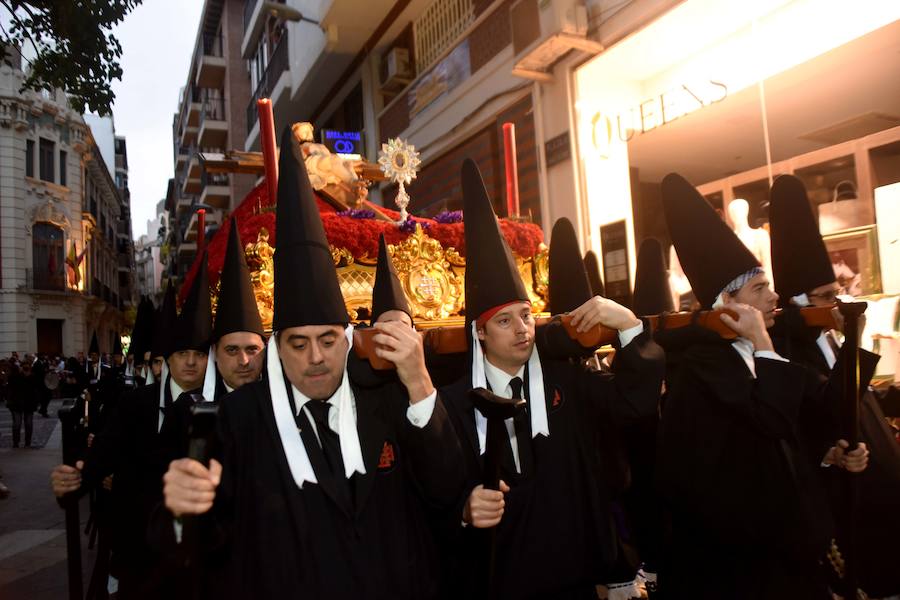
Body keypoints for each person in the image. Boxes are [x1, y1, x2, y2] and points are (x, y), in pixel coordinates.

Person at [159, 128, 465, 599]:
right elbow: (203, 551)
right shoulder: (238, 423)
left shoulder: (386, 403)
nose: (316, 357)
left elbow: (446, 492)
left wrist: (420, 380)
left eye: (327, 340)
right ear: (277, 348)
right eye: (298, 344)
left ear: (348, 340)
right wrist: (183, 509)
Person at [440, 161, 664, 600]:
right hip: (498, 583)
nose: (523, 329)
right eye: (504, 321)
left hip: (576, 580)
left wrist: (629, 326)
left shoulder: (566, 383)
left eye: (526, 316)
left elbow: (633, 404)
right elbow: (432, 496)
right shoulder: (452, 405)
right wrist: (463, 512)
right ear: (480, 332)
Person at [655, 173, 840, 600]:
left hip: (778, 555)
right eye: (760, 289)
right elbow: (770, 421)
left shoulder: (744, 358)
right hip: (740, 568)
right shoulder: (705, 368)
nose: (774, 298)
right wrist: (761, 341)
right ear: (728, 305)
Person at [769, 174, 899, 598]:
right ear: (799, 304)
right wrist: (856, 340)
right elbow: (831, 407)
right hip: (839, 503)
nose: (836, 303)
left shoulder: (827, 338)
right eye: (826, 296)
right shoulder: (788, 354)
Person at [50, 271, 210, 599]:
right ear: (168, 360)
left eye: (200, 354)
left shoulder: (225, 405)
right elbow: (99, 460)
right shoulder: (136, 404)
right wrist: (72, 482)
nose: (191, 363)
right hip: (141, 549)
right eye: (182, 354)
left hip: (204, 555)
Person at [8, 361, 38, 447]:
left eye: (27, 367)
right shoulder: (15, 377)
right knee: (17, 423)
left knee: (28, 423)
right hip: (17, 403)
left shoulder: (32, 377)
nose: (25, 369)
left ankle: (27, 442)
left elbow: (35, 390)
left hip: (29, 403)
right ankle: (16, 442)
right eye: (24, 367)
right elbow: (11, 388)